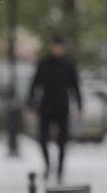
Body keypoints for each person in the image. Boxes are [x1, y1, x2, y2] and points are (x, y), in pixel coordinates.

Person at [28, 35, 82, 183]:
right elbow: (35, 84)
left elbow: (75, 87)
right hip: (46, 107)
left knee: (63, 141)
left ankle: (60, 170)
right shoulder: (44, 64)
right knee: (43, 139)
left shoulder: (68, 65)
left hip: (62, 107)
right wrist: (31, 103)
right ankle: (47, 165)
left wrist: (79, 105)